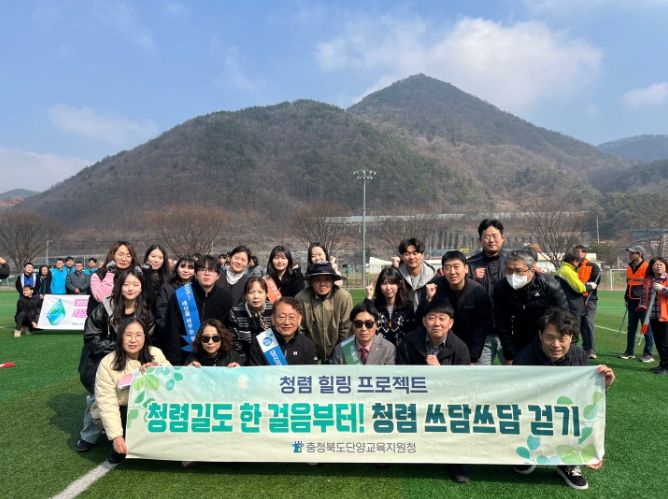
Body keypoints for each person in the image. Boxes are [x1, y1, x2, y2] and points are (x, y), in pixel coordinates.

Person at [513, 308, 615, 491]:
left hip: (563, 412)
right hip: (534, 414)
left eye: (562, 338)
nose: (556, 344)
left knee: (576, 416)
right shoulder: (524, 358)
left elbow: (586, 403)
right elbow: (516, 401)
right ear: (540, 335)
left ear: (571, 337)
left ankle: (568, 463)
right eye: (550, 337)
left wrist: (603, 387)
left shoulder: (579, 356)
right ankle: (527, 453)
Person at [75, 268, 154, 453]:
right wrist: (119, 348)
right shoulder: (104, 308)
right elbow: (92, 338)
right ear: (118, 286)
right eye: (126, 284)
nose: (130, 288)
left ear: (141, 288)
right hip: (102, 361)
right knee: (97, 397)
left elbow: (148, 339)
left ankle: (127, 434)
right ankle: (88, 435)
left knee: (132, 397)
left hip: (134, 362)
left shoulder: (145, 313)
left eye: (135, 284)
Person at [396, 300, 471, 483]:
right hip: (416, 399)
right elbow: (400, 375)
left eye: (442, 318)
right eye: (431, 318)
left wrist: (440, 372)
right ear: (424, 321)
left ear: (450, 323)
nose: (436, 323)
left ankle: (456, 462)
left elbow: (464, 385)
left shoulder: (460, 348)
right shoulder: (409, 342)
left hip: (448, 402)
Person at [93, 318, 170, 464]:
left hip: (151, 407)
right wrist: (116, 436)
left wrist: (158, 371)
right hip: (123, 409)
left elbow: (173, 383)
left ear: (145, 337)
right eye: (128, 335)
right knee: (123, 419)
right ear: (120, 337)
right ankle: (120, 444)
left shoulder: (156, 354)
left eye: (138, 335)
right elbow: (107, 402)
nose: (133, 340)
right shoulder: (107, 363)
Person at [493, 249, 568, 362]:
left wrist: (563, 347)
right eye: (509, 270)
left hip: (547, 338)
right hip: (520, 340)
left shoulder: (549, 285)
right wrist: (509, 355)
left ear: (532, 270)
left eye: (519, 271)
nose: (513, 275)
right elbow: (502, 324)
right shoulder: (501, 288)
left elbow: (564, 317)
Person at [418, 250, 491, 364]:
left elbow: (482, 326)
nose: (452, 272)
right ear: (442, 271)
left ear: (466, 269)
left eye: (456, 267)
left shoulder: (478, 292)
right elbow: (420, 318)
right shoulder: (434, 288)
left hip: (469, 345)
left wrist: (473, 356)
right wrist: (428, 299)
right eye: (447, 267)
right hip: (439, 347)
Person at [163, 255, 234, 365]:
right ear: (195, 274)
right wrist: (176, 365)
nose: (207, 273)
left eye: (211, 270)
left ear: (218, 276)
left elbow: (226, 332)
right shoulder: (179, 296)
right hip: (184, 358)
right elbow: (172, 333)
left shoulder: (225, 298)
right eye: (202, 269)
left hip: (216, 359)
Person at [467, 219, 509, 365]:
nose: (491, 240)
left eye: (495, 236)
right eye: (487, 236)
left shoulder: (512, 262)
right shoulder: (470, 264)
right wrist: (472, 279)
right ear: (480, 239)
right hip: (481, 332)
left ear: (502, 238)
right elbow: (461, 292)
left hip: (509, 331)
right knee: (481, 374)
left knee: (514, 372)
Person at [296, 261, 353, 362]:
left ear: (333, 281)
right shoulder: (301, 298)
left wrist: (339, 351)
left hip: (338, 347)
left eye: (327, 279)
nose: (322, 284)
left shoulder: (343, 297)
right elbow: (300, 329)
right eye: (318, 280)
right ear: (311, 282)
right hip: (310, 348)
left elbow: (346, 328)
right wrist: (308, 351)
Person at [248, 297, 319, 365]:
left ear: (299, 319)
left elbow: (311, 372)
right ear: (273, 318)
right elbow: (255, 372)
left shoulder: (307, 345)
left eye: (291, 317)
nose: (286, 322)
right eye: (282, 317)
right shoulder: (260, 341)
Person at [329, 301, 396, 365]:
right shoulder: (340, 349)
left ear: (376, 325)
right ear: (352, 326)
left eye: (369, 324)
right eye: (358, 324)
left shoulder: (388, 349)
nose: (364, 328)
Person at [228, 277, 274, 365]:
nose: (256, 296)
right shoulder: (236, 312)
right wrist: (246, 362)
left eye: (260, 292)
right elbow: (234, 342)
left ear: (266, 294)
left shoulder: (273, 310)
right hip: (244, 360)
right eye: (251, 292)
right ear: (245, 295)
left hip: (271, 357)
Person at [365, 266, 415, 347]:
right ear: (379, 285)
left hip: (402, 352)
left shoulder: (408, 306)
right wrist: (369, 297)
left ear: (399, 285)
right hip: (379, 351)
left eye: (392, 283)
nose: (388, 287)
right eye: (384, 283)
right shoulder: (374, 305)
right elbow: (364, 319)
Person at [620, 245, 655, 362]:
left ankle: (648, 354)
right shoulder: (629, 267)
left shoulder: (647, 267)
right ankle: (629, 352)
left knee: (646, 328)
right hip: (631, 301)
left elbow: (650, 284)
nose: (630, 255)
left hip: (643, 302)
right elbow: (629, 284)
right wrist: (626, 298)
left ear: (639, 254)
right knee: (631, 328)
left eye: (632, 253)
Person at [89, 241, 139, 314]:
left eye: (128, 256)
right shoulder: (98, 275)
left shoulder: (135, 275)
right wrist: (110, 274)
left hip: (128, 318)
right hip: (102, 318)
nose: (124, 259)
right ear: (113, 255)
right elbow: (102, 298)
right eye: (120, 254)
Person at [154, 255, 196, 341]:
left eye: (190, 267)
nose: (186, 270)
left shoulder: (198, 288)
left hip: (195, 335)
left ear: (195, 271)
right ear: (177, 268)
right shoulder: (166, 287)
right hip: (171, 335)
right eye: (182, 266)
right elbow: (161, 313)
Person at [638, 257, 668, 374]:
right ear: (651, 267)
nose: (658, 266)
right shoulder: (649, 280)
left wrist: (663, 289)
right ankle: (663, 364)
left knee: (665, 343)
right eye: (656, 264)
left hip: (665, 316)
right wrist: (642, 305)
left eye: (661, 264)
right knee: (659, 342)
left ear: (665, 266)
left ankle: (667, 367)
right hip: (653, 315)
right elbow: (644, 295)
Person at [574, 245, 601, 359]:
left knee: (588, 323)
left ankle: (591, 350)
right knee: (579, 324)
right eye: (575, 252)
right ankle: (583, 348)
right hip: (576, 298)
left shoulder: (593, 266)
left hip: (589, 299)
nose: (576, 254)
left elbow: (595, 283)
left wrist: (584, 286)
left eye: (578, 252)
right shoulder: (572, 266)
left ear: (584, 253)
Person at [396, 237, 436, 311]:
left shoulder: (434, 278)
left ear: (422, 255)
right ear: (402, 256)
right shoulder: (396, 277)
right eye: (407, 254)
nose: (411, 257)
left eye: (415, 253)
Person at [555, 253, 586, 341]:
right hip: (572, 307)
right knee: (573, 335)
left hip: (563, 305)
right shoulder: (568, 271)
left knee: (564, 332)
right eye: (578, 262)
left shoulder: (561, 269)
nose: (579, 264)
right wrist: (589, 286)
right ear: (574, 261)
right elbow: (579, 288)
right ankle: (571, 349)